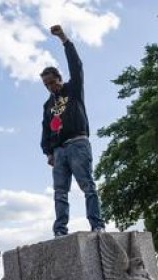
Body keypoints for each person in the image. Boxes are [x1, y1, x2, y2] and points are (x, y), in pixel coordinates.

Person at [40, 24, 106, 237]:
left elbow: (76, 65)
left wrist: (64, 39)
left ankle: (97, 224)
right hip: (59, 151)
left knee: (87, 185)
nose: (51, 87)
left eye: (52, 82)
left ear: (59, 79)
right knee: (60, 192)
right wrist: (49, 152)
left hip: (78, 143)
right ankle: (60, 230)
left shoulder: (73, 89)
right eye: (46, 85)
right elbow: (45, 130)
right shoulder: (47, 105)